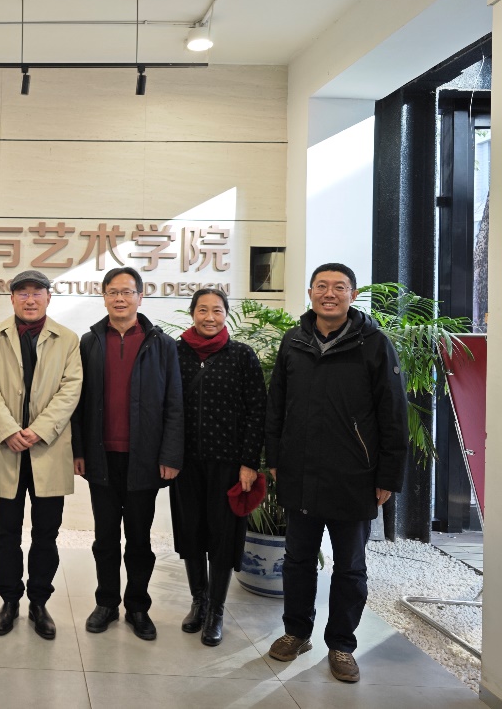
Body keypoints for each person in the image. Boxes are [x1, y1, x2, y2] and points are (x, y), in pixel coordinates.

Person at [266, 263, 408, 683]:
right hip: (300, 473)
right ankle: (296, 632)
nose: (330, 293)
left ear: (353, 294)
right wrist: (275, 457)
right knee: (297, 561)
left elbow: (393, 413)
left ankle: (342, 645)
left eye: (339, 287)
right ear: (310, 291)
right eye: (322, 286)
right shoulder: (294, 340)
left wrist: (388, 476)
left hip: (355, 476)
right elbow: (277, 405)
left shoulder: (375, 343)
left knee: (349, 568)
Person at [73, 267, 184, 642]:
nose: (120, 298)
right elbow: (78, 402)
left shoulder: (161, 344)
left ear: (140, 296)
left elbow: (174, 404)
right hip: (101, 457)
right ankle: (106, 603)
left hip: (145, 459)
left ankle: (138, 606)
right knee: (104, 538)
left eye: (127, 291)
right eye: (113, 292)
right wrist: (78, 450)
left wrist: (170, 455)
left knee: (139, 539)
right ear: (104, 296)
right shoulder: (90, 342)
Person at [0, 269, 82, 640]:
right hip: (6, 449)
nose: (30, 299)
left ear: (48, 297)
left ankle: (39, 602)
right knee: (6, 533)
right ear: (12, 299)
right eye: (22, 293)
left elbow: (71, 389)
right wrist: (8, 429)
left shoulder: (68, 339)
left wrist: (39, 429)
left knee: (46, 533)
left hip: (48, 449)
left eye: (37, 292)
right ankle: (9, 601)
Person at [171, 287, 266, 646]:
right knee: (190, 531)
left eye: (217, 310)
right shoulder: (175, 352)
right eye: (202, 310)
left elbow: (257, 411)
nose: (209, 317)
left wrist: (249, 463)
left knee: (223, 536)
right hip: (184, 463)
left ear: (226, 314)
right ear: (192, 313)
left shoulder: (242, 355)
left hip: (228, 464)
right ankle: (198, 601)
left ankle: (216, 610)